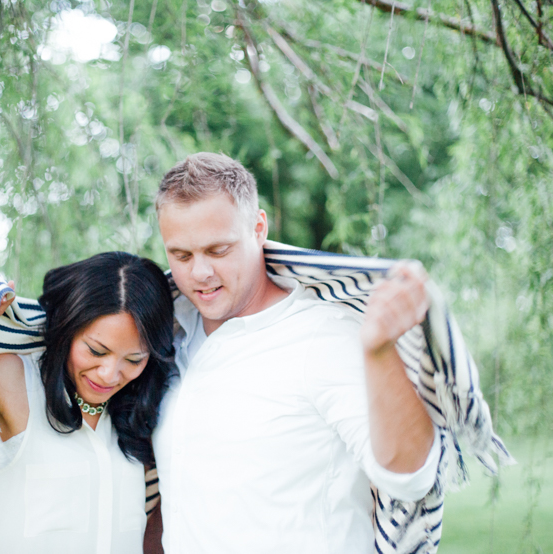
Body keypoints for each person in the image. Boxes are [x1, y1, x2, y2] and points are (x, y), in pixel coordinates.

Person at [149, 152, 442, 552]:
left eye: (218, 250)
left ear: (258, 228)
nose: (199, 273)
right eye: (181, 255)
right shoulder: (167, 338)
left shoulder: (324, 336)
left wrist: (380, 352)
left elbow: (411, 478)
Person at [0, 252, 176, 553]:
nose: (109, 374)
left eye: (133, 359)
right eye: (96, 351)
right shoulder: (15, 383)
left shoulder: (140, 418)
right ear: (68, 327)